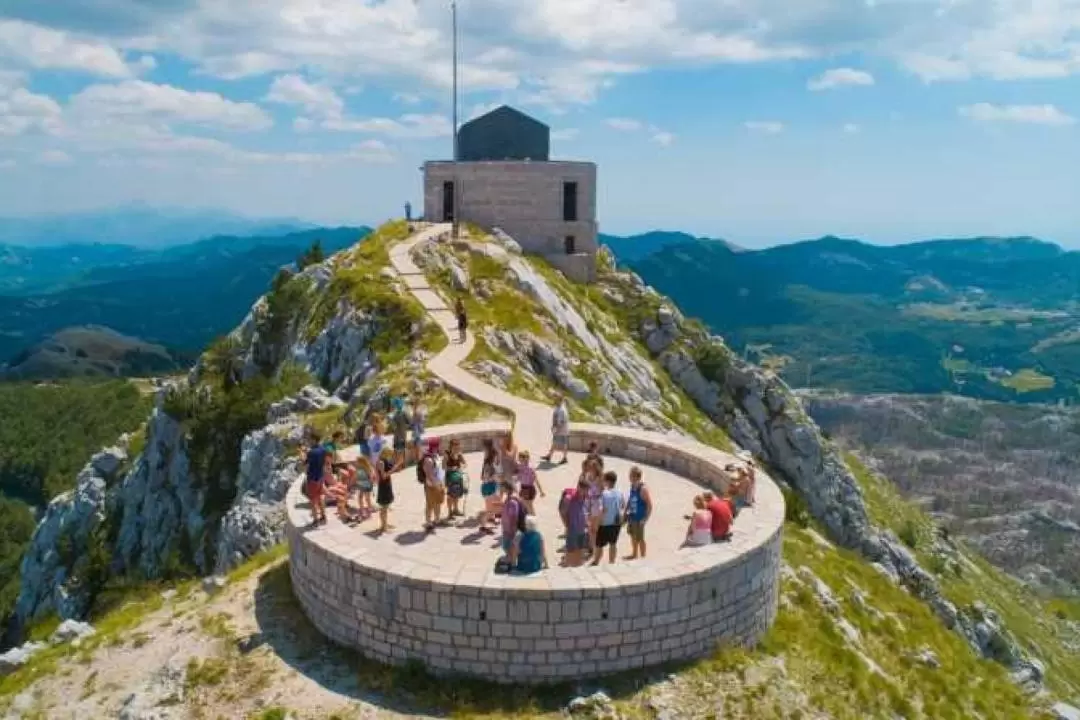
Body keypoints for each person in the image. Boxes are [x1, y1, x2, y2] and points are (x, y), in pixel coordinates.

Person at [592, 471, 624, 566]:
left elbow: (602, 510)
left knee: (599, 545)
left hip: (605, 523)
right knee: (613, 544)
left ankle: (596, 561)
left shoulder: (604, 494)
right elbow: (623, 505)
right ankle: (612, 562)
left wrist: (596, 524)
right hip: (616, 523)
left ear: (607, 481)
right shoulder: (619, 492)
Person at [624, 466, 652, 560]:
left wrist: (645, 519)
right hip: (632, 516)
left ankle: (643, 556)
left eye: (630, 475)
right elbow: (630, 498)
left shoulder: (643, 489)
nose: (629, 477)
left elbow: (649, 505)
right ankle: (634, 554)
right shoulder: (632, 486)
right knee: (632, 536)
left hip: (639, 518)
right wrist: (625, 511)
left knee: (640, 539)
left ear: (636, 477)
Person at [421, 438, 446, 532]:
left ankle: (437, 519)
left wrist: (442, 483)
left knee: (438, 502)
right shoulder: (428, 459)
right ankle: (428, 523)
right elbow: (429, 474)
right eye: (438, 444)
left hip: (438, 484)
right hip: (431, 486)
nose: (440, 446)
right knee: (430, 504)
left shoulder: (436, 456)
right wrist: (436, 485)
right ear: (435, 446)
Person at [563, 478, 590, 567]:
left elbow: (586, 510)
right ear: (579, 487)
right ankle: (567, 565)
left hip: (582, 528)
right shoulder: (570, 497)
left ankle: (578, 564)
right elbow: (563, 511)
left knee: (581, 548)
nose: (586, 492)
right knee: (570, 549)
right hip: (573, 528)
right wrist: (566, 524)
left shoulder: (585, 497)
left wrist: (587, 522)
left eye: (586, 490)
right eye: (584, 489)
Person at [304, 433, 329, 525]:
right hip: (321, 477)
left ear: (314, 440)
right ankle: (323, 516)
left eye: (310, 440)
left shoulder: (311, 452)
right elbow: (325, 462)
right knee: (320, 497)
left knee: (313, 500)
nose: (309, 442)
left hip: (312, 479)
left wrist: (304, 455)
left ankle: (315, 521)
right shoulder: (323, 449)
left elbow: (306, 465)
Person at [478, 439, 500, 534]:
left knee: (492, 506)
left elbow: (482, 477)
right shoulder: (489, 464)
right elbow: (485, 478)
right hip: (488, 487)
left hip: (490, 487)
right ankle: (483, 526)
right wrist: (495, 477)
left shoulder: (488, 461)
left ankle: (491, 518)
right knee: (491, 509)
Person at [375, 446, 399, 534]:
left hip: (386, 485)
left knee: (385, 507)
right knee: (383, 508)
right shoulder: (381, 462)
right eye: (389, 454)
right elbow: (383, 476)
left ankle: (385, 524)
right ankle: (383, 527)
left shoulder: (383, 461)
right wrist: (394, 469)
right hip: (383, 486)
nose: (390, 456)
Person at [500, 481, 526, 558]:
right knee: (507, 547)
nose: (500, 489)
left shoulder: (512, 502)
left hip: (510, 530)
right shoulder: (509, 498)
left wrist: (513, 531)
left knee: (507, 547)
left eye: (502, 488)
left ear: (506, 489)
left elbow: (514, 517)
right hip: (507, 528)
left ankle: (512, 561)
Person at [542, 395, 570, 465]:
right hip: (562, 430)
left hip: (561, 430)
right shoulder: (560, 407)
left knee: (563, 444)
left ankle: (564, 458)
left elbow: (560, 421)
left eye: (556, 400)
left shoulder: (561, 410)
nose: (554, 401)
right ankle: (549, 456)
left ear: (559, 401)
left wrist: (555, 428)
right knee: (556, 443)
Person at [515, 450, 544, 514]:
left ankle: (533, 519)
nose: (519, 461)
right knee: (524, 506)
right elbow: (518, 478)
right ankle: (528, 520)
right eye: (519, 459)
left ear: (526, 459)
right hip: (523, 488)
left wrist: (541, 491)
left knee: (529, 506)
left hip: (529, 489)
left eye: (521, 459)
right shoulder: (519, 467)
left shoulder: (530, 468)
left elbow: (536, 480)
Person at [444, 438, 467, 518]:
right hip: (450, 477)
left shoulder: (459, 454)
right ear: (451, 446)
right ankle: (450, 512)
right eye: (455, 447)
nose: (457, 449)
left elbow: (465, 464)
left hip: (458, 476)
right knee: (450, 495)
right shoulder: (447, 454)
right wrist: (451, 469)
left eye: (458, 447)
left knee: (457, 493)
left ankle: (456, 509)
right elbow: (443, 467)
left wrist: (460, 468)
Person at [390, 397, 411, 467]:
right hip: (401, 434)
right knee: (400, 449)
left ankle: (400, 464)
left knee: (399, 449)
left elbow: (409, 421)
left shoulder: (397, 414)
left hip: (399, 434)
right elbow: (409, 422)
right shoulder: (401, 413)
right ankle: (401, 464)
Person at [410, 397, 428, 463]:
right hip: (416, 430)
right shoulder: (418, 411)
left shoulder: (418, 411)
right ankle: (417, 458)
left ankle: (419, 459)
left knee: (418, 445)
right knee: (416, 444)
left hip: (418, 430)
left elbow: (420, 420)